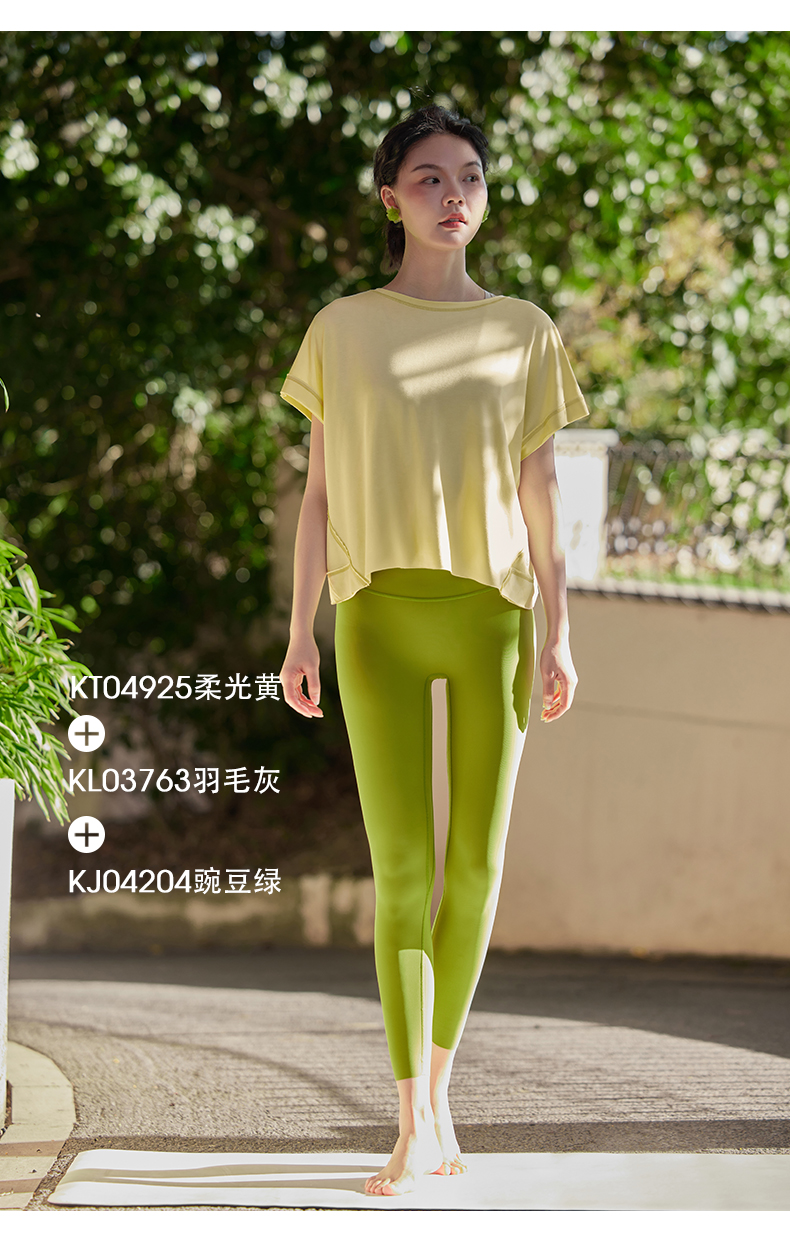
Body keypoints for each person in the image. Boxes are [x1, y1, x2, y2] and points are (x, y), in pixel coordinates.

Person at [279, 103, 589, 1196]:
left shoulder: (524, 330)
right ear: (390, 199)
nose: (453, 195)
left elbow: (541, 493)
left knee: (477, 865)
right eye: (428, 178)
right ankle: (412, 1118)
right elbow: (319, 495)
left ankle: (439, 1095)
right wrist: (300, 629)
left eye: (469, 177)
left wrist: (560, 630)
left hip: (494, 614)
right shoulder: (342, 328)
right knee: (403, 868)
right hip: (375, 618)